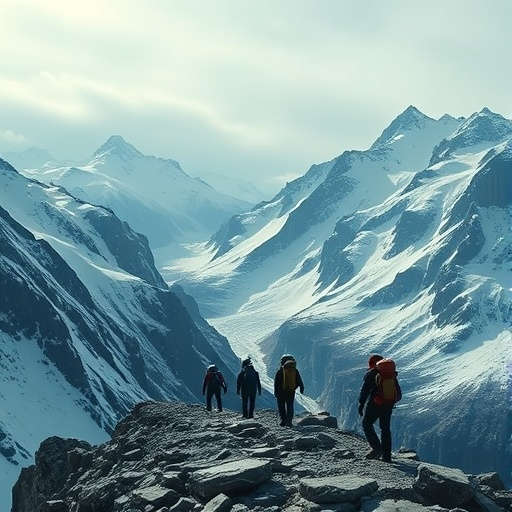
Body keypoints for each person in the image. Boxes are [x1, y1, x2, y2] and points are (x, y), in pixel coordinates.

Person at [358, 354, 395, 462]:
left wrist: (361, 404)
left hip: (376, 402)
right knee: (385, 428)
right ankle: (387, 456)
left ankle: (377, 448)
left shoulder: (371, 374)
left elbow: (365, 390)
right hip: (389, 403)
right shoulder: (391, 374)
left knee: (367, 423)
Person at [273, 354, 304, 427]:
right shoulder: (295, 371)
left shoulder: (280, 371)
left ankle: (283, 421)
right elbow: (299, 381)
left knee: (281, 406)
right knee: (290, 406)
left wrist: (276, 393)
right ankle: (289, 422)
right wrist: (299, 388)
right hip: (291, 391)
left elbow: (276, 383)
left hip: (281, 391)